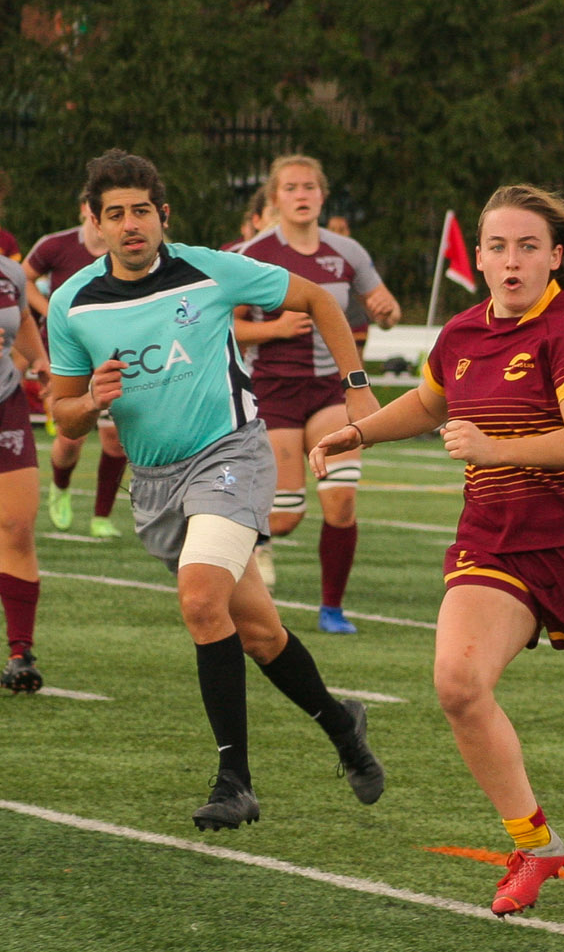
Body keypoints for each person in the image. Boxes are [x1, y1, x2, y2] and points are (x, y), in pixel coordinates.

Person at [308, 185, 564, 918]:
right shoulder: (462, 333)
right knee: (458, 684)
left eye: (528, 247)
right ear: (480, 257)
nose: (512, 261)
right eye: (498, 247)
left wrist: (495, 447)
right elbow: (432, 403)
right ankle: (534, 843)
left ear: (555, 257)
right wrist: (359, 432)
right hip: (494, 544)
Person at [43, 150, 385, 828]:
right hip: (155, 483)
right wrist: (91, 403)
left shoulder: (210, 269)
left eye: (142, 211)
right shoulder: (71, 303)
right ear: (95, 224)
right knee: (258, 633)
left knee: (201, 599)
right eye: (116, 214)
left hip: (231, 455)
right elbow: (63, 411)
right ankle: (342, 725)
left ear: (163, 216)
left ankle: (235, 781)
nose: (131, 224)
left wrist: (357, 388)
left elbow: (320, 299)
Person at [235, 155, 401, 631]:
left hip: (332, 391)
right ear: (274, 198)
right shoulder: (252, 254)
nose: (302, 195)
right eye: (291, 188)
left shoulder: (347, 251)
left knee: (341, 503)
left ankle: (332, 608)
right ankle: (224, 550)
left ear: (323, 196)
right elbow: (225, 326)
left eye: (309, 186)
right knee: (285, 517)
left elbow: (385, 312)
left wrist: (387, 312)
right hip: (274, 392)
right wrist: (274, 329)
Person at [26, 196, 125, 536]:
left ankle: (101, 517)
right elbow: (23, 279)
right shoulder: (56, 245)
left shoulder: (126, 248)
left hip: (112, 352)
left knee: (115, 439)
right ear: (85, 209)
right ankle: (61, 485)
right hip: (67, 353)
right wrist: (51, 308)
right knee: (71, 438)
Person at [1, 248, 52, 692]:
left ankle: (21, 652)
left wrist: (40, 362)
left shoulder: (9, 272)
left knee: (18, 525)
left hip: (6, 402)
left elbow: (22, 320)